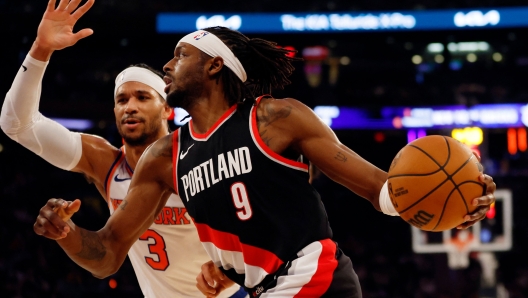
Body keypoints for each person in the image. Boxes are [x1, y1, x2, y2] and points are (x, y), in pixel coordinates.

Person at [17, 1, 497, 297]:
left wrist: (454, 202)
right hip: (263, 290)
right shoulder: (166, 157)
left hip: (317, 281)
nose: (167, 63)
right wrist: (66, 233)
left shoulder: (277, 117)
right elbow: (106, 254)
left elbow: (383, 192)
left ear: (213, 68)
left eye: (181, 54)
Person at [0, 0, 245, 297]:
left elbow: (260, 223)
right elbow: (17, 125)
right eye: (122, 100)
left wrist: (233, 270)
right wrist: (41, 49)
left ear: (167, 109)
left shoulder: (198, 153)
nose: (130, 107)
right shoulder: (102, 161)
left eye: (142, 97)